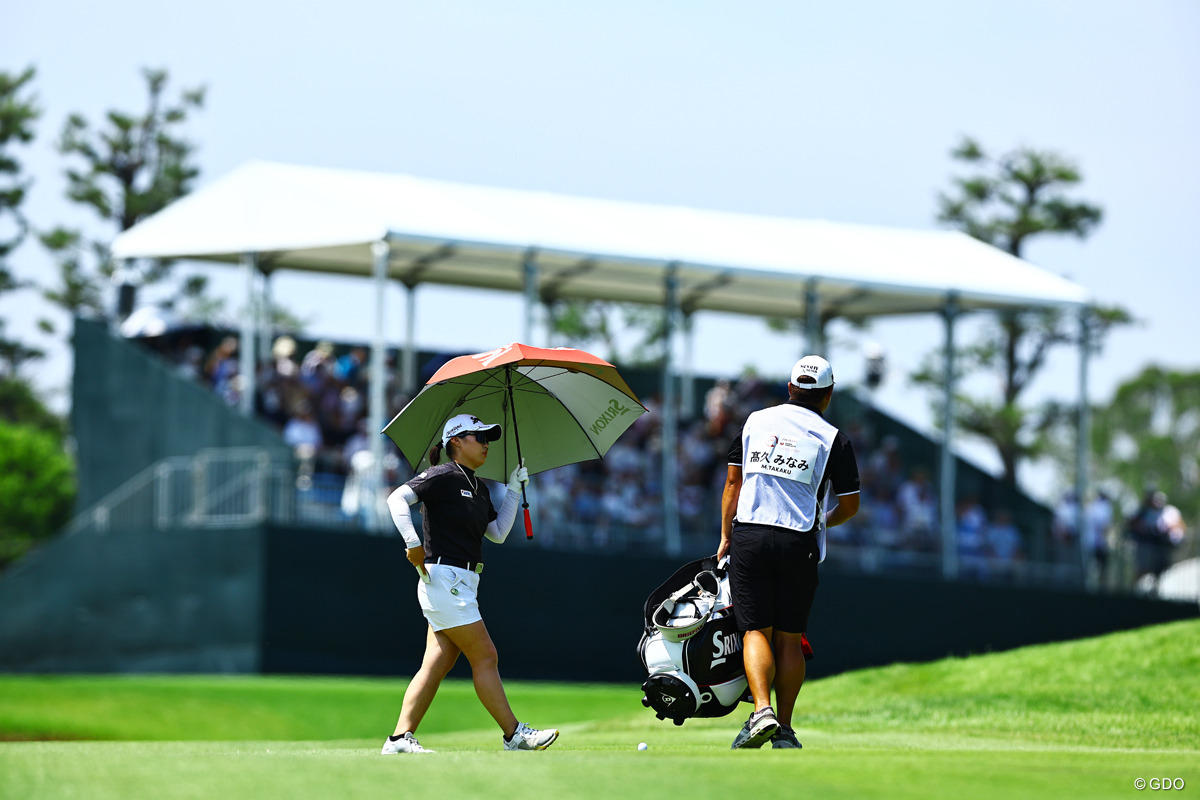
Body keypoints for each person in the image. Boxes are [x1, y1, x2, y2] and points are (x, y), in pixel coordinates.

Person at [380, 413, 558, 755]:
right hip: (444, 578)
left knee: (438, 661)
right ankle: (514, 735)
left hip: (462, 582)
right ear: (456, 442)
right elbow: (396, 500)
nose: (486, 443)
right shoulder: (443, 476)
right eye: (479, 437)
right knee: (485, 654)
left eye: (488, 438)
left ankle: (399, 739)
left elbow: (497, 533)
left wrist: (512, 488)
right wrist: (411, 542)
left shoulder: (478, 486)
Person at [717, 355, 860, 750]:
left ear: (790, 387)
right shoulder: (836, 439)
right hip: (798, 542)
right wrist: (821, 522)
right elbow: (850, 506)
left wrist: (725, 536)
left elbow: (733, 483)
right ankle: (784, 729)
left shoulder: (755, 421)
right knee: (790, 637)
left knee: (754, 630)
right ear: (828, 395)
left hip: (751, 535)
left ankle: (760, 709)